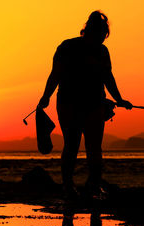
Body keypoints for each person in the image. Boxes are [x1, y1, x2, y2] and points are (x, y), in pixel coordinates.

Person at [38, 11, 132, 199]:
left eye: (103, 36)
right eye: (100, 34)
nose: (102, 39)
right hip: (72, 104)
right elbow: (56, 74)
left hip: (89, 104)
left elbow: (107, 77)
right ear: (89, 31)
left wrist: (120, 99)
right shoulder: (68, 47)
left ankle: (88, 186)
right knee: (77, 146)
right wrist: (45, 96)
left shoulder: (97, 50)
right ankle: (75, 186)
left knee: (87, 147)